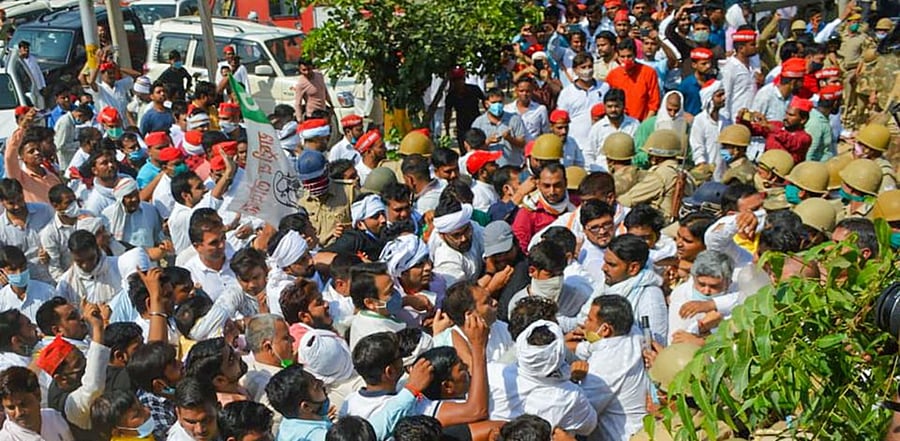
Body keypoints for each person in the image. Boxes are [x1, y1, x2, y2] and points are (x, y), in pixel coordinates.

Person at [487, 320, 597, 435]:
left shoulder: (493, 374)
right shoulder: (571, 396)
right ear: (559, 353)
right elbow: (588, 427)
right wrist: (576, 380)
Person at [571, 295, 649, 441]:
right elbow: (594, 346)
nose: (585, 324)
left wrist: (574, 380)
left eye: (589, 320)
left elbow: (580, 417)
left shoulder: (604, 367)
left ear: (605, 329)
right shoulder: (632, 333)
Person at [339, 333, 439, 439]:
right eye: (400, 355)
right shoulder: (406, 408)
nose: (403, 359)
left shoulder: (349, 402)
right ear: (390, 371)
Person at [37, 304, 109, 438]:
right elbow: (93, 387)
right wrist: (98, 328)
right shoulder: (67, 404)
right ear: (61, 379)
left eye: (84, 359)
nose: (86, 366)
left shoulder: (80, 345)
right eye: (79, 364)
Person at [667, 250, 735, 344]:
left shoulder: (736, 292)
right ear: (694, 278)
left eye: (714, 286)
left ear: (728, 283)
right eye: (701, 284)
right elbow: (676, 340)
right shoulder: (681, 296)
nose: (706, 291)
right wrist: (700, 328)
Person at [618, 130, 681, 220]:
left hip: (660, 225)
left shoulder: (661, 174)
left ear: (655, 156)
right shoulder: (681, 171)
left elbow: (629, 200)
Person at [512, 163, 574, 251]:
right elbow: (521, 246)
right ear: (538, 185)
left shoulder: (577, 205)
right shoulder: (528, 211)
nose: (552, 192)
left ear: (566, 183)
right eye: (546, 186)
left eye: (557, 185)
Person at [0, 367, 73, 440]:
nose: (19, 413)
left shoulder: (53, 417)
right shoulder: (6, 438)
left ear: (38, 395)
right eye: (11, 408)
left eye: (23, 404)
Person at [297, 149, 352, 247]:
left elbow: (364, 224)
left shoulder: (349, 192)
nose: (314, 185)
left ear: (326, 171)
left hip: (342, 251)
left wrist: (348, 230)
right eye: (309, 181)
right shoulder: (301, 201)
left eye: (317, 179)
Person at [557, 52, 610, 153]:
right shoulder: (566, 93)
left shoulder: (604, 87)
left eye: (590, 66)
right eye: (583, 67)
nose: (587, 70)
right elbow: (561, 118)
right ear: (575, 70)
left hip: (600, 143)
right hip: (576, 144)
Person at [348, 264, 406, 349]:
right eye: (389, 292)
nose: (396, 293)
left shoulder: (379, 312)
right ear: (370, 303)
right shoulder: (379, 336)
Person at [4, 123, 64, 204]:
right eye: (31, 151)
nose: (37, 153)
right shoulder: (20, 177)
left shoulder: (52, 177)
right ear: (22, 157)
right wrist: (22, 128)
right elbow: (9, 157)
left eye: (38, 149)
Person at [605, 38, 661, 121]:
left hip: (642, 122)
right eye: (622, 57)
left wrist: (644, 125)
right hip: (620, 122)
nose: (626, 60)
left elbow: (654, 103)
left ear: (635, 55)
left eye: (629, 56)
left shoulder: (648, 72)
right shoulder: (613, 75)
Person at [471, 88, 527, 167]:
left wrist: (509, 138)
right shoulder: (478, 123)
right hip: (490, 169)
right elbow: (473, 149)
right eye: (493, 102)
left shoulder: (514, 119)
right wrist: (487, 142)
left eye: (500, 102)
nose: (497, 105)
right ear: (486, 104)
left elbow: (522, 143)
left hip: (513, 167)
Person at [586, 88, 640, 171]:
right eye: (609, 106)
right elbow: (589, 153)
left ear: (623, 105)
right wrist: (595, 171)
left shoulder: (634, 124)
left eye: (617, 106)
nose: (613, 110)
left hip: (628, 173)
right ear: (604, 106)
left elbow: (638, 151)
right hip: (602, 172)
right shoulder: (597, 128)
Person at [0, 247, 56, 323]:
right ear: (2, 271)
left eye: (22, 267)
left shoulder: (48, 292)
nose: (19, 273)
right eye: (13, 270)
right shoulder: (2, 299)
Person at [689, 79, 729, 182]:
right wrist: (703, 167)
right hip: (707, 176)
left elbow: (726, 148)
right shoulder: (700, 120)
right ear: (710, 99)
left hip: (722, 173)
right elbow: (697, 146)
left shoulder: (725, 120)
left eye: (723, 94)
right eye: (719, 96)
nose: (724, 98)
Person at [90, 389, 157, 441]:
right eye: (136, 415)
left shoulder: (139, 435)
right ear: (116, 431)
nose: (147, 411)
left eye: (142, 406)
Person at [721, 29, 758, 121]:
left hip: (752, 116)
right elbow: (726, 95)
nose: (756, 47)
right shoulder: (730, 68)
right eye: (752, 45)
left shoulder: (754, 64)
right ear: (741, 48)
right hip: (735, 117)